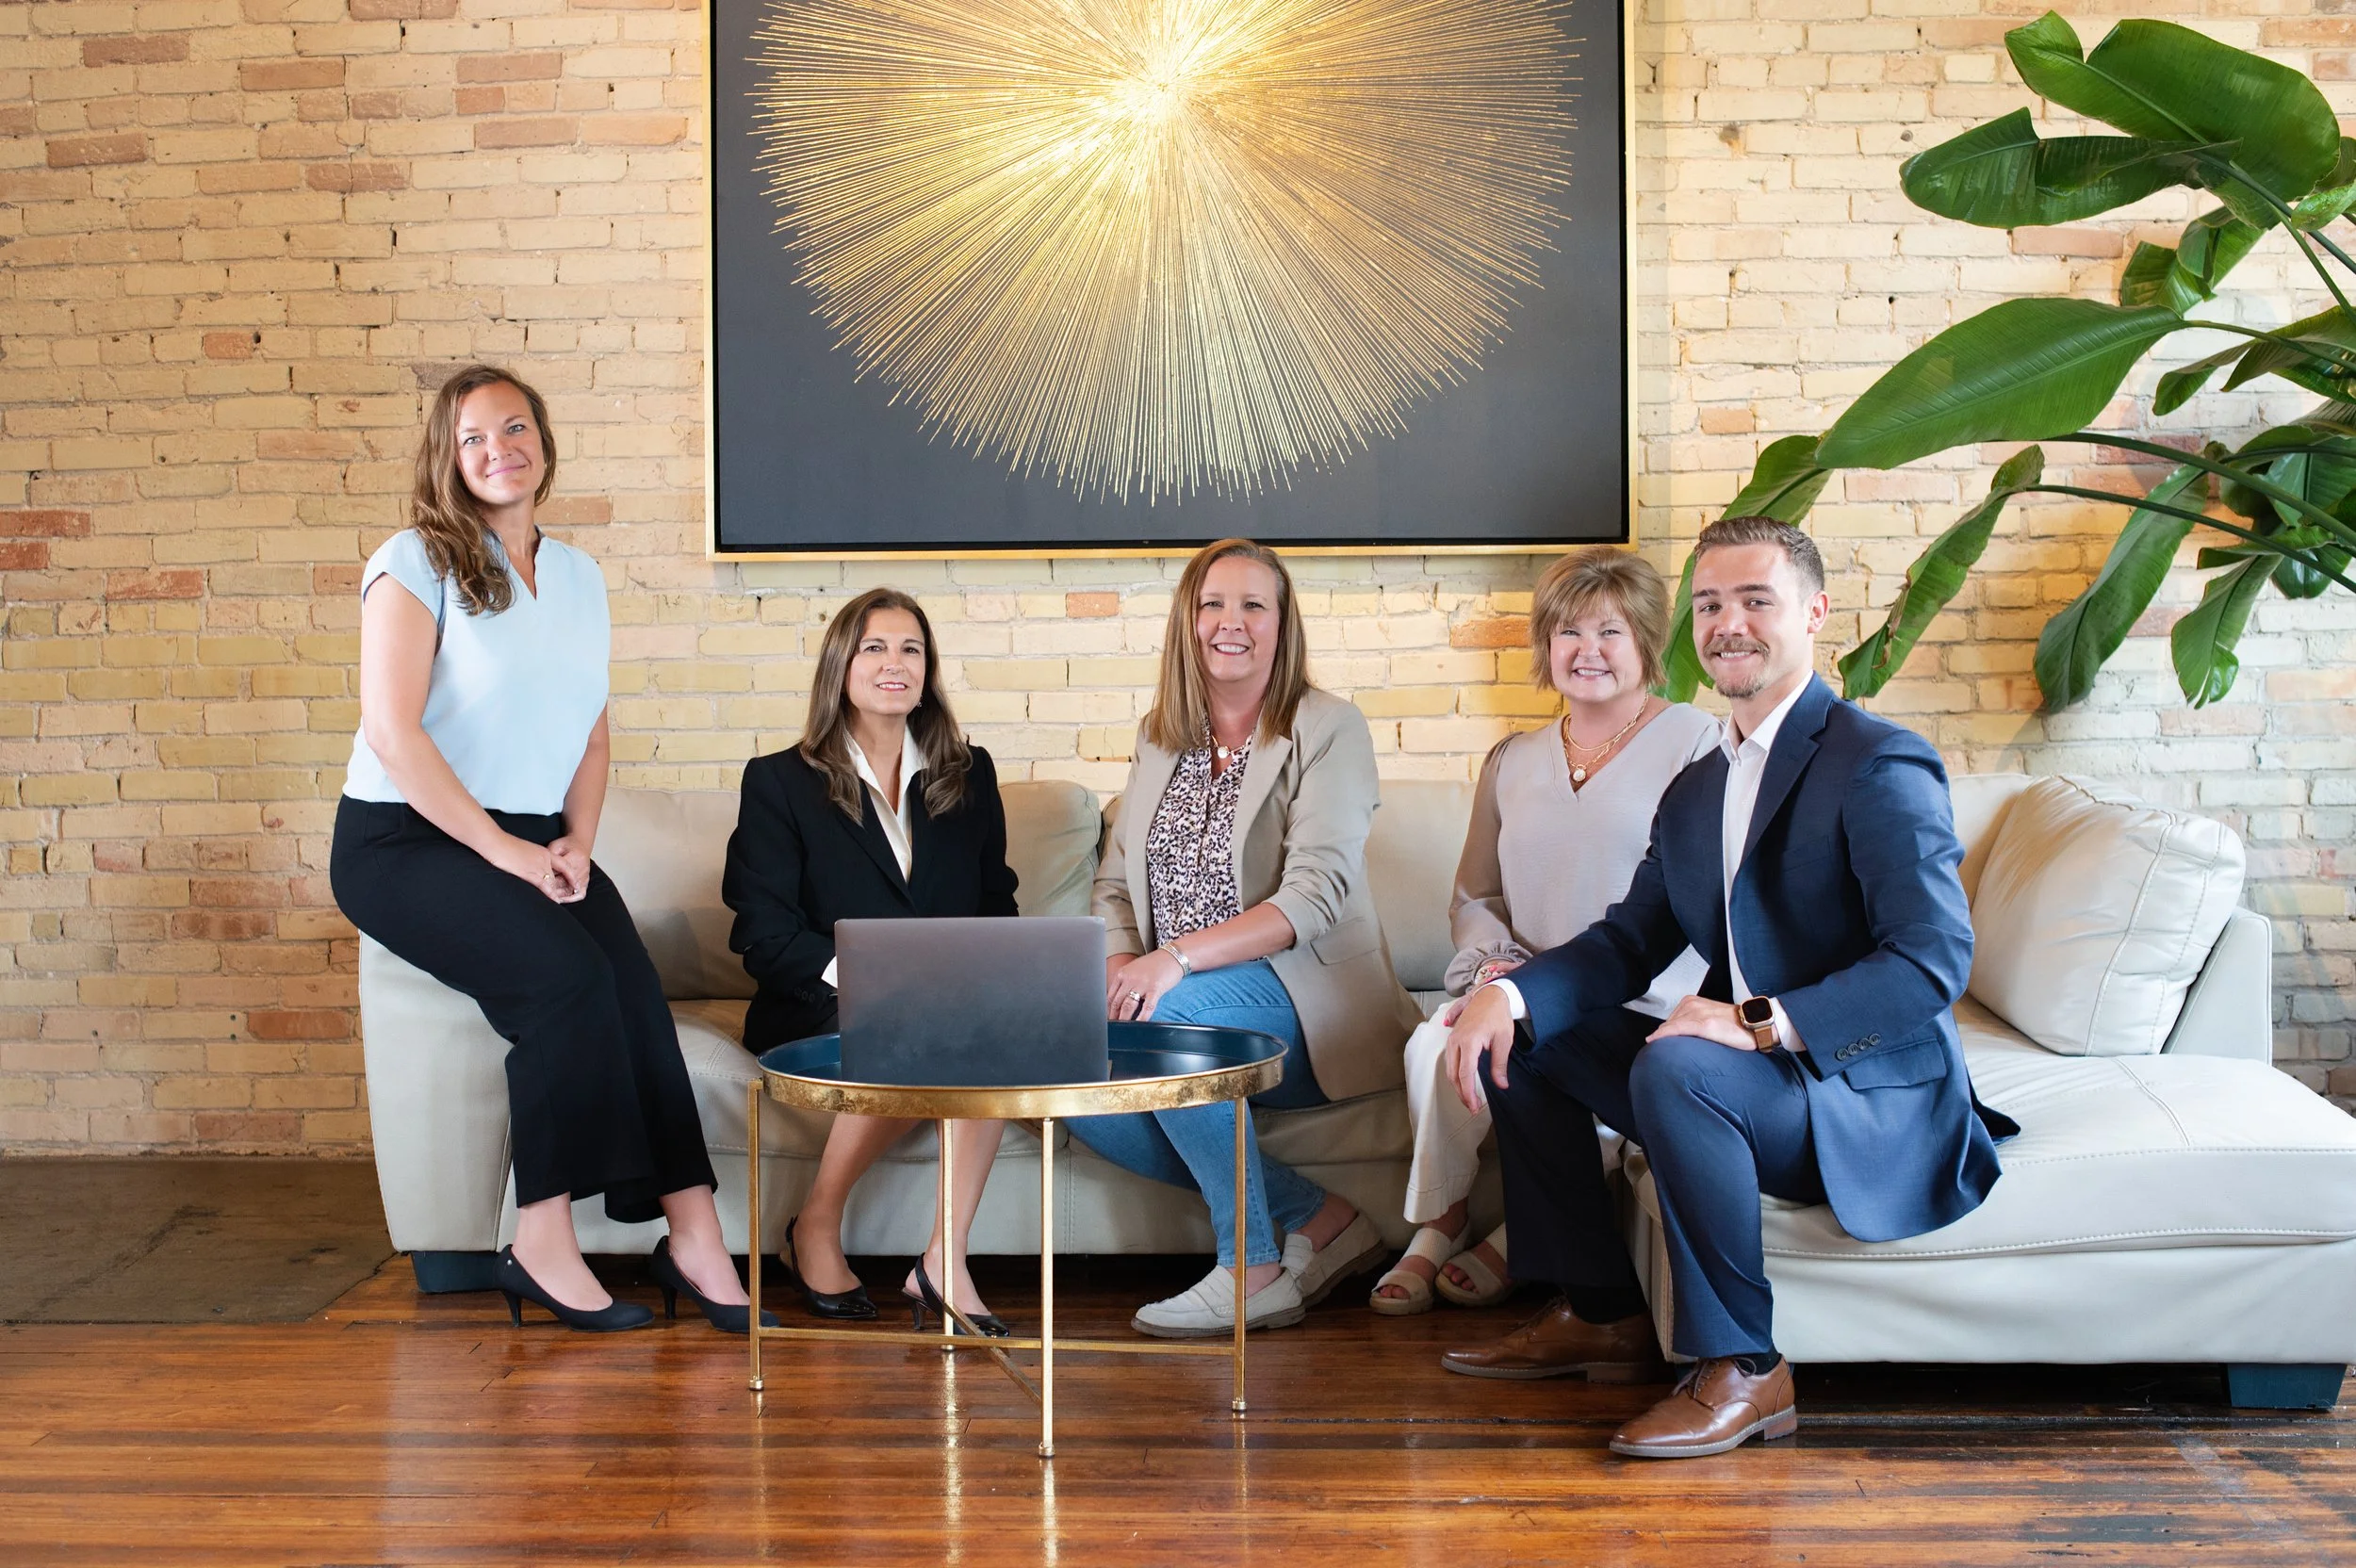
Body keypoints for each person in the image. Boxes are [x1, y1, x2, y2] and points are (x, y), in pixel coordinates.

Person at [1439, 514, 2017, 1458]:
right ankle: (1601, 1310)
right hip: (1761, 1080)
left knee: (1677, 1066)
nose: (1727, 623)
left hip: (1850, 1090)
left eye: (1756, 599)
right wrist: (1506, 994)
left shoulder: (1874, 758)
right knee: (1531, 1033)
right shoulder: (1702, 782)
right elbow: (1628, 942)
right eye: (1709, 603)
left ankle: (1744, 1366)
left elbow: (1931, 958)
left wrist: (1759, 1019)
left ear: (1814, 614)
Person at [333, 365, 767, 1334]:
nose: (499, 449)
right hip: (405, 836)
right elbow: (396, 733)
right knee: (566, 980)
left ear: (543, 441)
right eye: (474, 436)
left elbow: (593, 735)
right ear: (448, 457)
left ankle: (692, 1235)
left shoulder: (577, 576)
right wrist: (508, 853)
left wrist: (574, 840)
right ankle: (539, 1238)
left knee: (633, 992)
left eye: (515, 427)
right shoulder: (411, 563)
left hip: (534, 831)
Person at [1072, 538, 1422, 1338]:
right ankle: (1320, 1215)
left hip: (1307, 996)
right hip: (1177, 992)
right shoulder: (1162, 736)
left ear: (1281, 623)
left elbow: (1315, 897)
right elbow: (1116, 884)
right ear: (1187, 624)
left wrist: (1175, 962)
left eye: (1253, 605)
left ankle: (1253, 1266)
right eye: (1213, 604)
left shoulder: (1327, 727)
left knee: (1171, 1023)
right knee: (1066, 1065)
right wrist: (1125, 963)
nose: (1231, 622)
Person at [1369, 548, 1717, 1315]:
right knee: (1437, 1044)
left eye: (1609, 632)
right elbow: (1475, 892)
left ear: (1648, 643)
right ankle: (1444, 1221)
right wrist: (1495, 968)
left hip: (1643, 994)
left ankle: (1507, 1247)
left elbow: (1700, 897)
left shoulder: (1697, 744)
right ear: (1544, 646)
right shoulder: (1512, 759)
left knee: (1530, 1054)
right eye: (1567, 631)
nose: (1586, 650)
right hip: (1522, 987)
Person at [721, 588, 1023, 1335]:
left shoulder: (969, 774)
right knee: (918, 1026)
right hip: (815, 1003)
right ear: (840, 667)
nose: (897, 664)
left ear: (929, 671)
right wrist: (862, 979)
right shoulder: (779, 781)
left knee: (977, 1031)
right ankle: (816, 1224)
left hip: (946, 1010)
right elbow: (763, 933)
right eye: (875, 648)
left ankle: (942, 1262)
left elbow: (997, 906)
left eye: (912, 650)